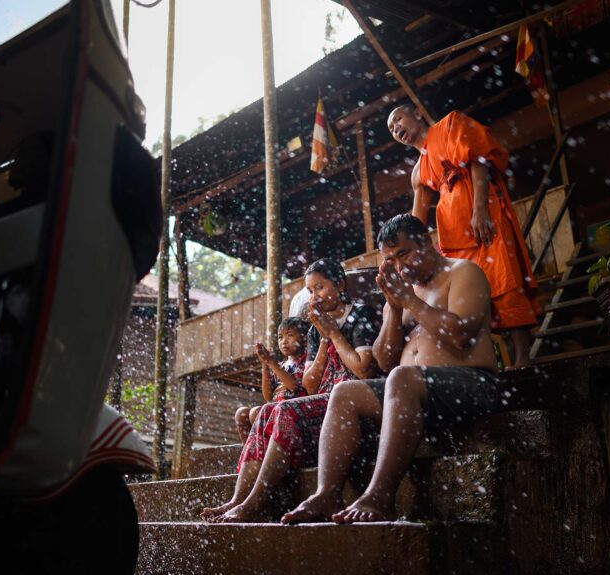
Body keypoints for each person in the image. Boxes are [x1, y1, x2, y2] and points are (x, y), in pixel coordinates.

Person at [282, 214, 500, 525]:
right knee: (345, 393)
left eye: (404, 253)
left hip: (472, 385)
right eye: (390, 258)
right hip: (415, 395)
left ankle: (380, 495)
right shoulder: (398, 296)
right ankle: (327, 493)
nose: (399, 265)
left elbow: (460, 335)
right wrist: (395, 311)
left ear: (425, 242)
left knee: (401, 378)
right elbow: (385, 361)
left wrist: (410, 300)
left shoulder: (463, 273)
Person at [201, 259, 380, 523]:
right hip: (321, 408)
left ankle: (255, 502)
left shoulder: (360, 314)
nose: (315, 296)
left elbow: (364, 370)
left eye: (320, 287)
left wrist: (335, 334)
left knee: (284, 408)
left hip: (351, 408)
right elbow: (308, 387)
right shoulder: (315, 331)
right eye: (310, 291)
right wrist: (323, 338)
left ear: (340, 284)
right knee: (265, 411)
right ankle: (238, 498)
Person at [387, 104, 540, 367]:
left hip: (483, 219)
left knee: (504, 282)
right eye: (391, 128)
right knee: (470, 296)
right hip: (453, 235)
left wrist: (480, 209)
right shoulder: (418, 172)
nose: (396, 128)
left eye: (398, 119)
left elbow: (478, 159)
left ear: (417, 114)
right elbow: (415, 222)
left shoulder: (450, 124)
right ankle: (499, 362)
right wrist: (396, 250)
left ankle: (523, 358)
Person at [234, 317, 311, 442]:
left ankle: (263, 453)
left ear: (305, 339)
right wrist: (265, 365)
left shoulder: (306, 362)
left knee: (256, 413)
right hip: (273, 410)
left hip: (292, 412)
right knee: (242, 413)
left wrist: (271, 362)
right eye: (280, 337)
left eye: (290, 335)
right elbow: (268, 396)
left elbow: (294, 386)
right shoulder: (280, 365)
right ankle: (250, 451)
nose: (284, 341)